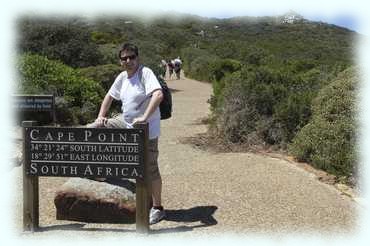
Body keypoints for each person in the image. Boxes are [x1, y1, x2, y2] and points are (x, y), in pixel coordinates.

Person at [87, 43, 165, 225]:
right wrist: (100, 117)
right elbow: (109, 97)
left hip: (146, 128)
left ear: (138, 58)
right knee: (94, 129)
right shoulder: (122, 77)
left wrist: (145, 118)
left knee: (150, 167)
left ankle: (158, 208)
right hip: (126, 123)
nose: (128, 61)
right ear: (120, 61)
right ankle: (101, 172)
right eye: (124, 58)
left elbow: (158, 95)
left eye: (132, 57)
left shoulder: (145, 73)